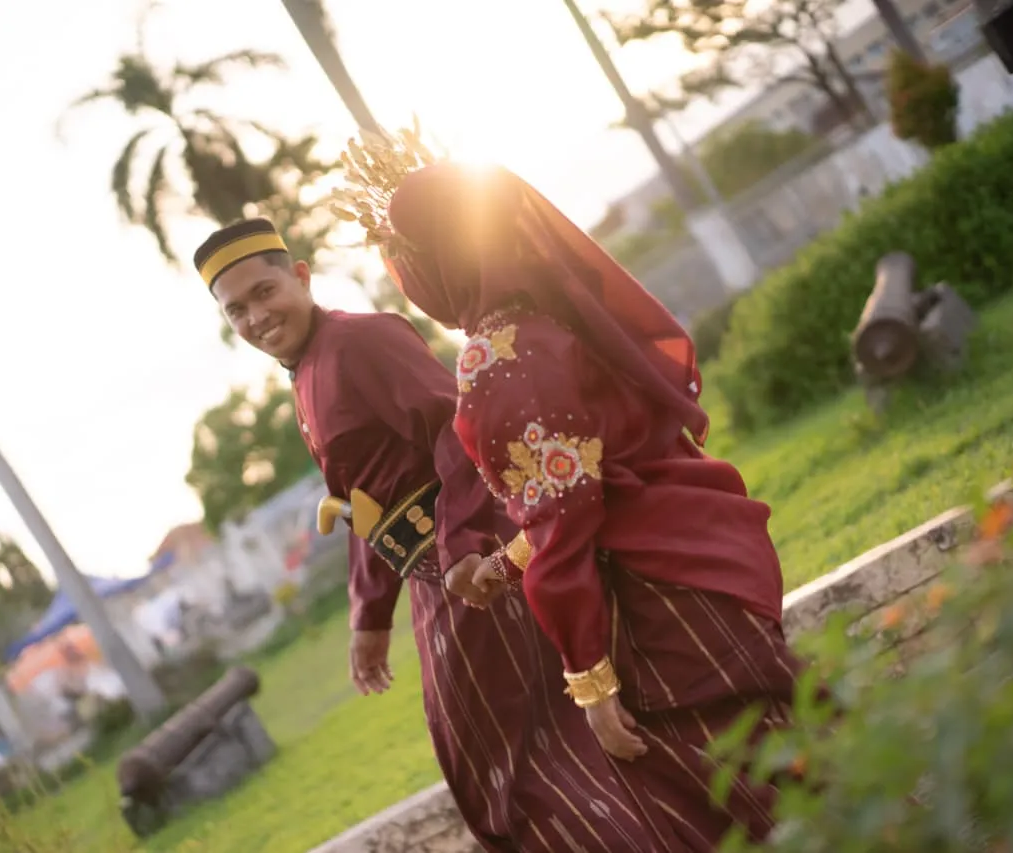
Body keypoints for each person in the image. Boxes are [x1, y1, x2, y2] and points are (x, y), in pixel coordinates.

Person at [193, 218, 712, 851]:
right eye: (237, 310)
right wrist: (369, 615)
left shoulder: (360, 341)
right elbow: (360, 498)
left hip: (481, 571)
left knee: (527, 767)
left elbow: (455, 429)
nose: (256, 317)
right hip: (435, 584)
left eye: (264, 292)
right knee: (499, 765)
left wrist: (464, 543)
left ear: (301, 277)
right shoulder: (304, 372)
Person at [346, 157, 806, 847]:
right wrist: (503, 565)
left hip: (661, 595)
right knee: (794, 759)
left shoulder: (496, 357)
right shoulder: (555, 317)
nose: (407, 283)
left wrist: (590, 681)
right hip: (708, 553)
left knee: (751, 792)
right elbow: (592, 481)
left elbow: (563, 523)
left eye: (405, 262)